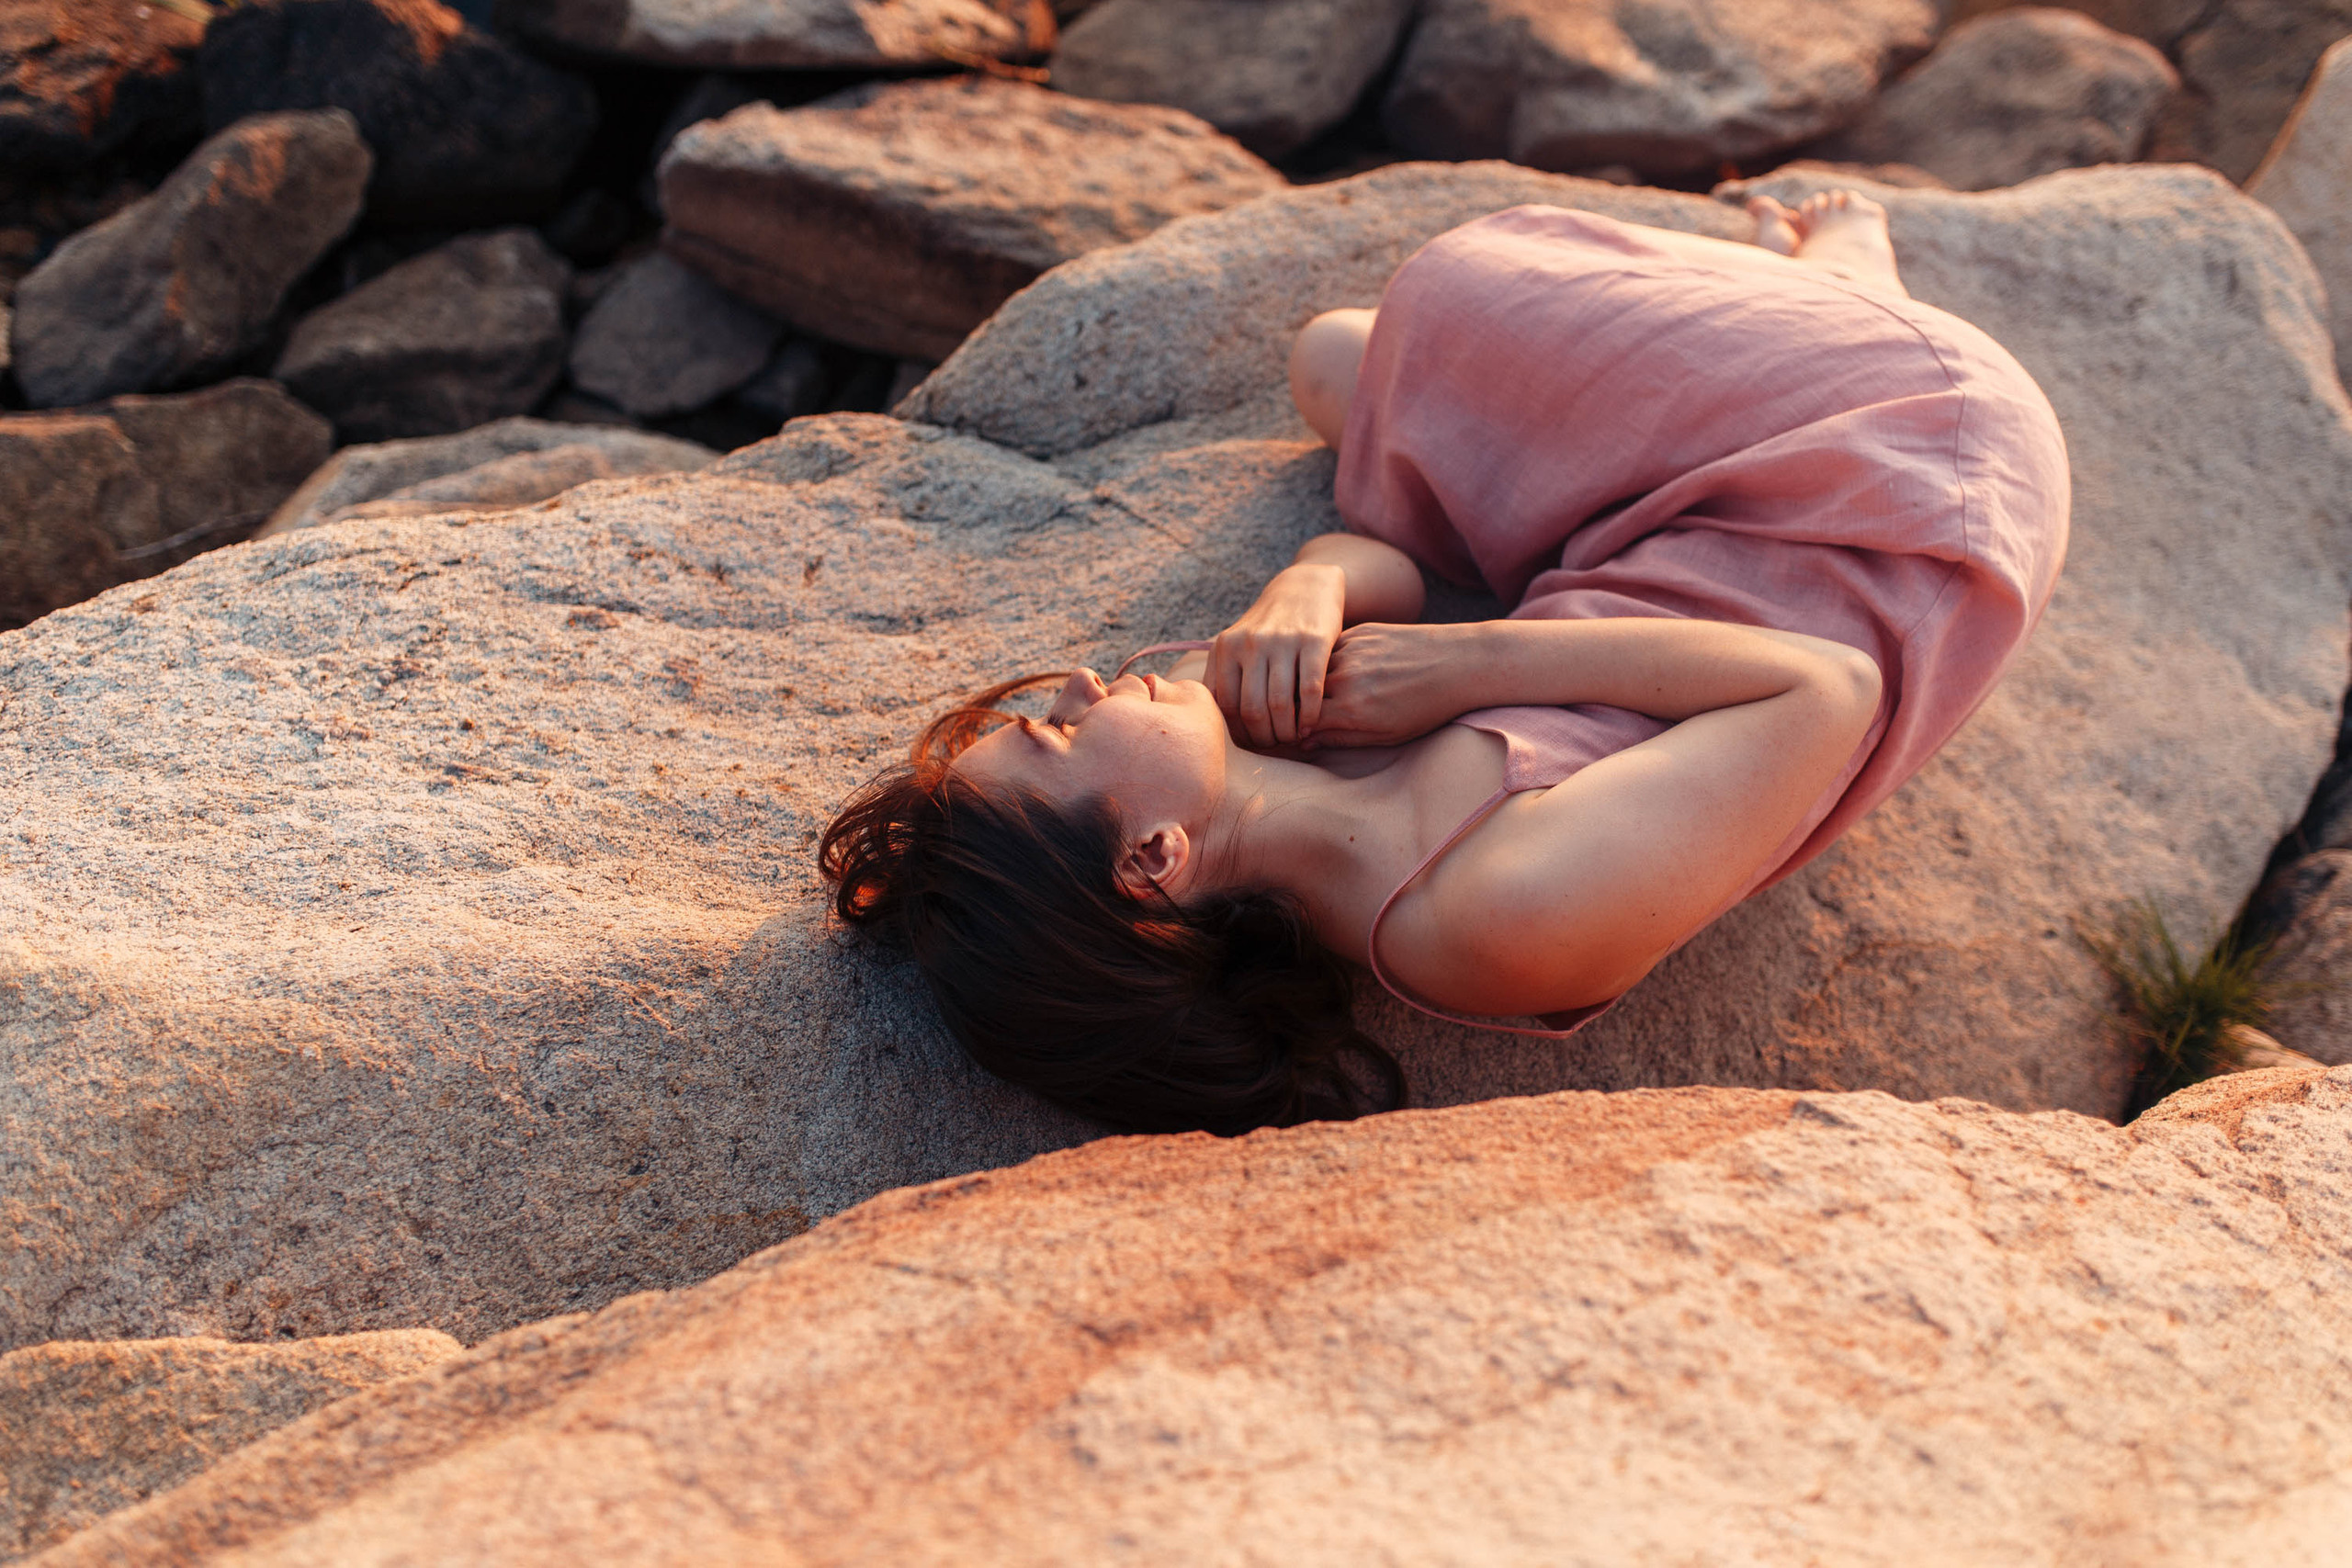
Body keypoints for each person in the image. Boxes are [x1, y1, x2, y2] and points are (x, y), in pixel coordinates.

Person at [820, 190, 2070, 1134]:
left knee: (1337, 366)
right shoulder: (1481, 922)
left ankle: (1842, 302)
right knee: (1457, 290)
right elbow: (1821, 690)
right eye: (1055, 737)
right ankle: (1854, 282)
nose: (1083, 686)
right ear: (1154, 863)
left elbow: (1388, 566)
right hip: (1905, 485)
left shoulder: (1227, 746)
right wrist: (1462, 669)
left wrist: (1305, 589)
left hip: (1680, 522)